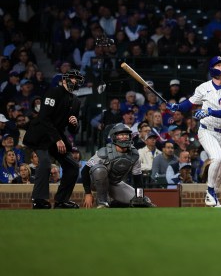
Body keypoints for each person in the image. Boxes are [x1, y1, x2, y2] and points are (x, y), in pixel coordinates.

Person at [166, 56, 221, 207]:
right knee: (217, 158)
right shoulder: (203, 87)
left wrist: (209, 112)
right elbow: (189, 103)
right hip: (207, 131)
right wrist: (177, 107)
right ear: (212, 69)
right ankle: (210, 193)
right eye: (218, 65)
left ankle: (214, 195)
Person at [23, 69, 83, 209]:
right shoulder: (54, 92)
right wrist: (57, 139)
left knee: (72, 166)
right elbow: (44, 118)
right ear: (63, 80)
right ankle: (39, 200)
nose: (75, 80)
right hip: (41, 134)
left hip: (57, 136)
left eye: (77, 78)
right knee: (44, 163)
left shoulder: (76, 101)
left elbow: (73, 130)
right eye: (72, 77)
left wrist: (75, 124)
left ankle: (61, 201)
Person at [81, 124, 155, 208]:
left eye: (126, 134)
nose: (124, 137)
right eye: (121, 134)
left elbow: (138, 178)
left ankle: (113, 204)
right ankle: (102, 202)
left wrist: (140, 196)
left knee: (143, 201)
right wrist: (88, 193)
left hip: (114, 183)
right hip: (94, 182)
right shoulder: (104, 152)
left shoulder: (134, 155)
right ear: (114, 137)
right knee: (99, 170)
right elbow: (85, 171)